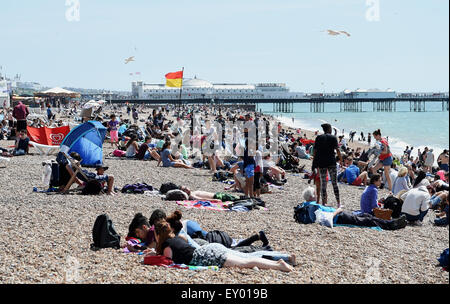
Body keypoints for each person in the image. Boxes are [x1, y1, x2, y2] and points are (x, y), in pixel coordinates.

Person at [149, 220, 295, 272]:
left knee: (246, 262)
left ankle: (278, 265)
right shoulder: (179, 236)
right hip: (210, 248)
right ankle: (283, 258)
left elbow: (168, 261)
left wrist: (152, 255)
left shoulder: (167, 246)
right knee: (245, 255)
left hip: (206, 257)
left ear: (158, 235)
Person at [301, 186, 407, 230]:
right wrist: (338, 210)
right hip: (339, 217)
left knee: (365, 216)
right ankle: (391, 225)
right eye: (315, 193)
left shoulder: (309, 206)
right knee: (367, 220)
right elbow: (324, 219)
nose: (317, 195)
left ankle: (390, 222)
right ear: (311, 197)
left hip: (340, 215)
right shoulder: (313, 207)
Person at [313, 123, 342, 207]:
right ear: (329, 129)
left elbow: (315, 151)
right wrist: (341, 160)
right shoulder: (333, 138)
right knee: (334, 183)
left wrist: (315, 161)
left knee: (323, 184)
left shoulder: (318, 137)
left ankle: (323, 203)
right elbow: (337, 150)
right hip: (331, 162)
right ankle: (338, 203)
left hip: (321, 162)